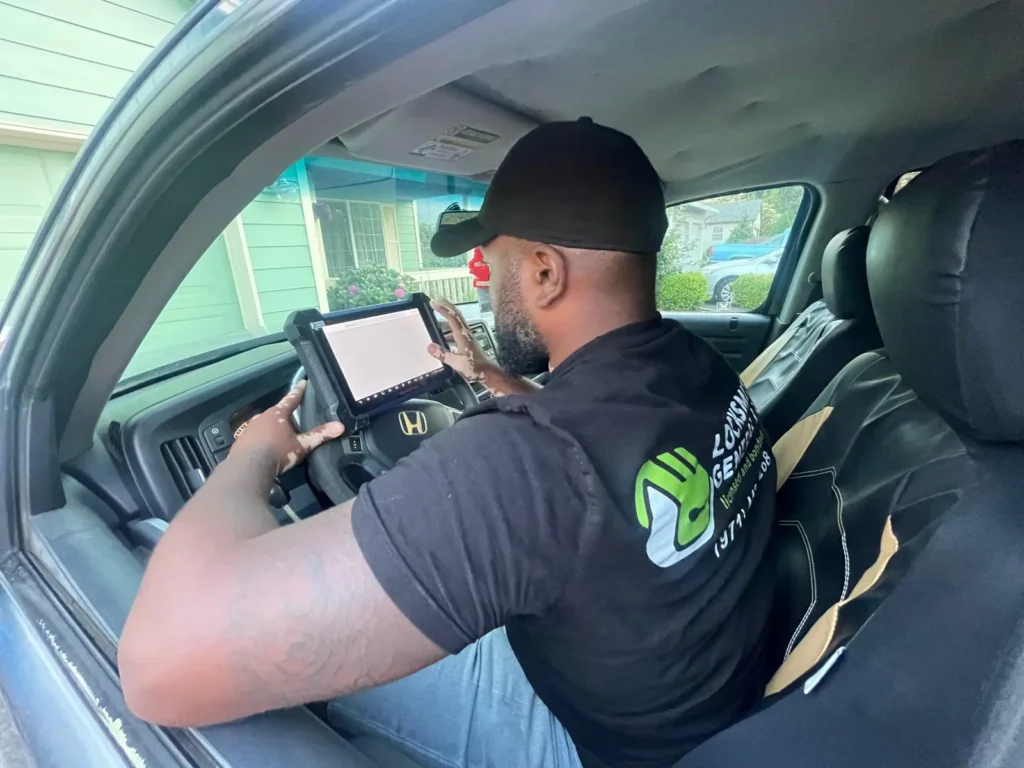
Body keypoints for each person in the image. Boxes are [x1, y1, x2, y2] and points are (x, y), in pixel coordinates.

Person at [119, 118, 777, 768]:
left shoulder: (522, 463)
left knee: (290, 651)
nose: (485, 282)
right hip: (707, 706)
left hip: (593, 748)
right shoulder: (693, 365)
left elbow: (156, 669)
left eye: (494, 262)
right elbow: (600, 454)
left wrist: (253, 456)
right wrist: (490, 378)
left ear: (545, 273)